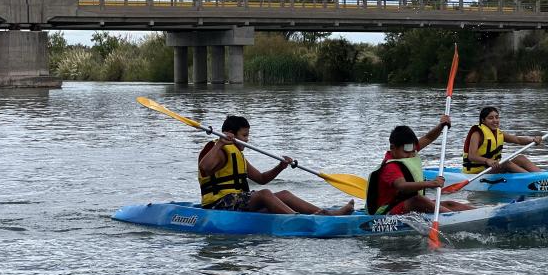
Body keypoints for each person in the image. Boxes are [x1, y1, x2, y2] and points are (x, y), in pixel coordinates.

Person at [197, 115, 354, 215]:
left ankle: (326, 214)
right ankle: (299, 219)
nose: (246, 140)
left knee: (284, 194)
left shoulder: (236, 154)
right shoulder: (216, 148)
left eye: (247, 136)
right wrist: (219, 144)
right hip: (219, 205)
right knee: (265, 194)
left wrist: (280, 166)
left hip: (238, 202)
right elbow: (205, 168)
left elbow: (261, 178)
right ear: (230, 134)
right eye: (244, 136)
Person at [366, 116, 474, 215]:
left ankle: (478, 213)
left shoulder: (408, 151)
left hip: (404, 205)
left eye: (413, 151)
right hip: (385, 213)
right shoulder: (390, 167)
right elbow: (402, 186)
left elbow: (428, 138)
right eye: (407, 152)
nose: (410, 155)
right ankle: (454, 217)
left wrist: (441, 126)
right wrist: (431, 183)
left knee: (449, 203)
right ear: (393, 147)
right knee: (417, 200)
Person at [462, 106, 542, 174]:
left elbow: (518, 140)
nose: (495, 120)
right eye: (490, 118)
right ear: (483, 121)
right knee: (505, 163)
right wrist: (487, 160)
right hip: (477, 172)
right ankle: (534, 179)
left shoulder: (499, 133)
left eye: (497, 117)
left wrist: (532, 139)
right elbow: (471, 156)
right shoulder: (477, 134)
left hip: (492, 168)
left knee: (521, 158)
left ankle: (543, 175)